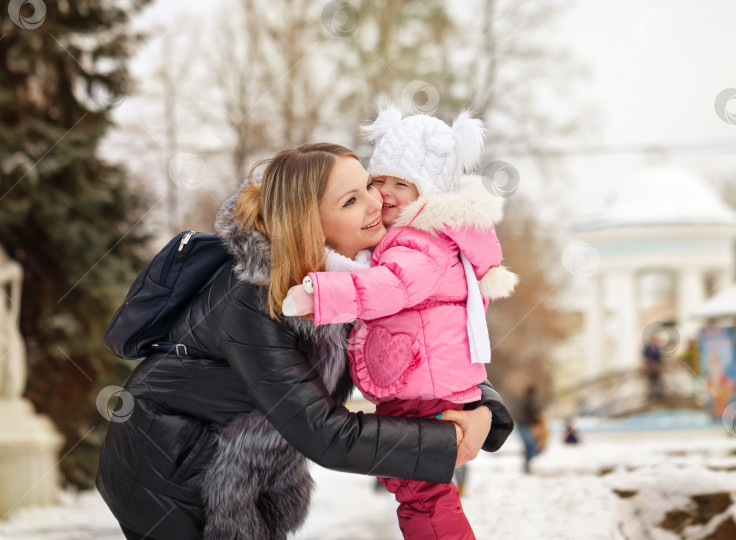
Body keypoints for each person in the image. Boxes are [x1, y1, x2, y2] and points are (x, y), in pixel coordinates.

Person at [96, 142, 514, 540]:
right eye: (350, 201)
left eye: (368, 185)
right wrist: (448, 440)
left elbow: (437, 347)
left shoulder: (365, 276)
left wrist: (481, 411)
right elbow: (322, 433)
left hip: (243, 459)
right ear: (310, 226)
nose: (376, 203)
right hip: (166, 465)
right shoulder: (253, 299)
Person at [282, 107, 518, 539]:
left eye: (401, 184)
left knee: (423, 495)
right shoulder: (408, 238)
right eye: (379, 181)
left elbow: (387, 288)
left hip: (422, 386)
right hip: (418, 380)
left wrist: (321, 294)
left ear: (428, 191)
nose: (385, 193)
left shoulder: (419, 244)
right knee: (419, 491)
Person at [515, 386, 545, 473]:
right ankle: (527, 465)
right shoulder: (530, 402)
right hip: (525, 426)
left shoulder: (523, 401)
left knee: (530, 446)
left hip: (521, 426)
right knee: (531, 445)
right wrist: (537, 420)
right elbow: (532, 414)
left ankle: (527, 464)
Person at [644, 333, 664, 401]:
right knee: (651, 381)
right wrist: (649, 363)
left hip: (657, 367)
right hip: (650, 367)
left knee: (658, 380)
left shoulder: (658, 348)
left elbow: (660, 357)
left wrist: (659, 364)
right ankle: (651, 395)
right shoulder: (647, 348)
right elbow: (645, 356)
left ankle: (659, 395)